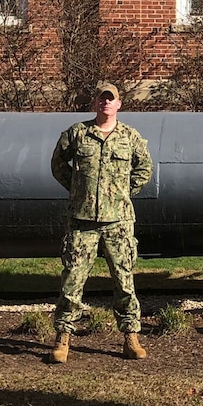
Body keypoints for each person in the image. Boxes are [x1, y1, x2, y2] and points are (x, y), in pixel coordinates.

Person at [48, 81, 154, 363]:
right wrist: (78, 190)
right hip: (82, 220)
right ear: (95, 103)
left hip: (118, 221)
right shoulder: (78, 134)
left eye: (111, 99)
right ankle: (63, 338)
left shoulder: (130, 137)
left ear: (119, 104)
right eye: (101, 99)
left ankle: (131, 336)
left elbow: (144, 169)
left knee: (124, 280)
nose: (106, 103)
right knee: (72, 279)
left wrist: (120, 193)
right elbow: (58, 164)